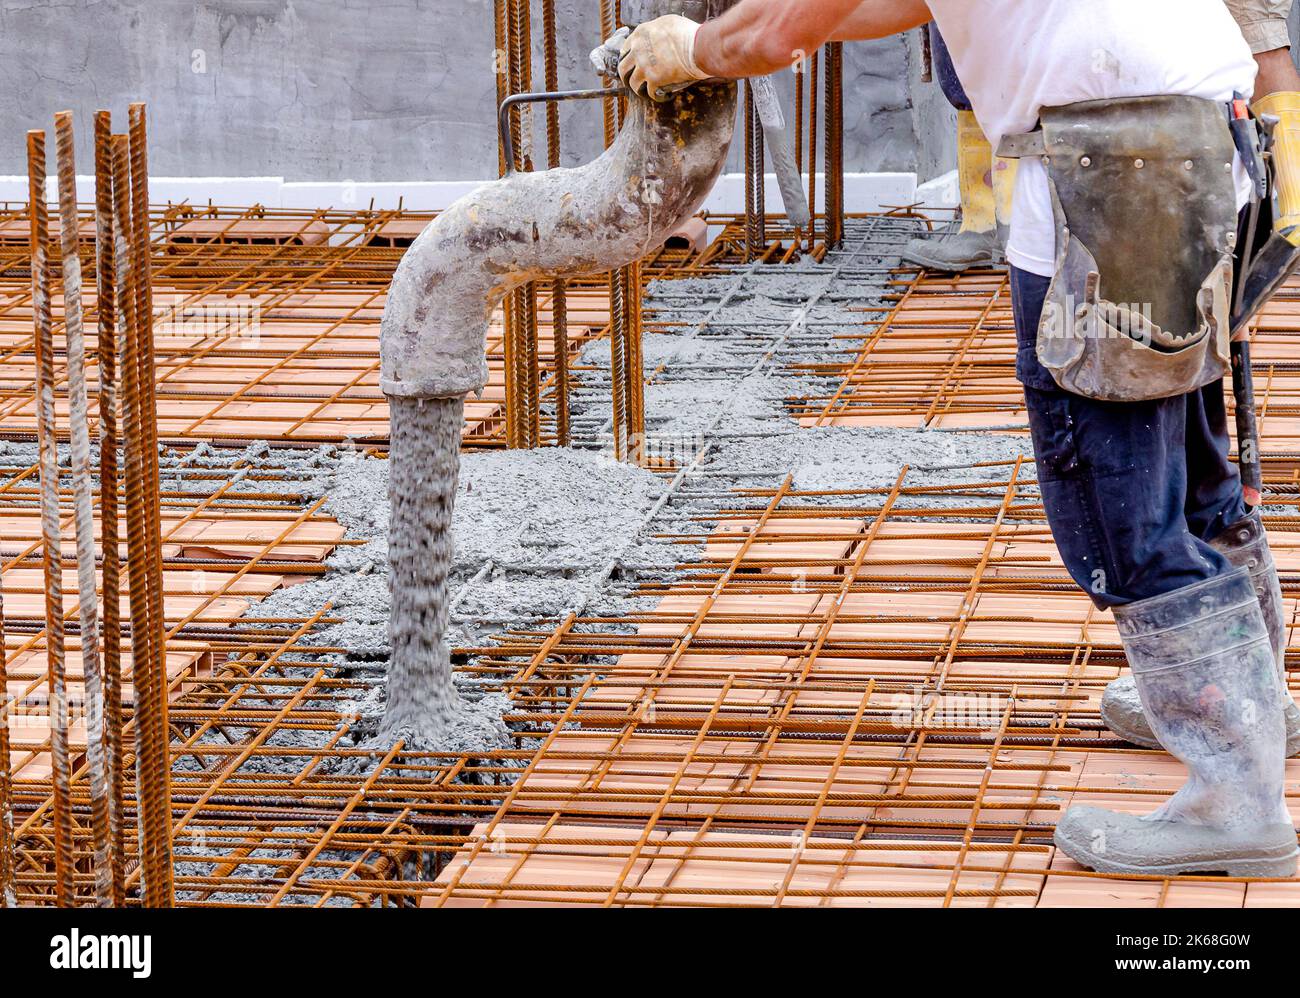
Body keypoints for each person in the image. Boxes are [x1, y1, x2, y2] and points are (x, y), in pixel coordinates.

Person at [619, 0, 1299, 877]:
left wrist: (688, 47)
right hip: (1199, 154)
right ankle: (1251, 706)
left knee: (1120, 508)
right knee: (1193, 463)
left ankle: (1234, 802)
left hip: (1110, 180)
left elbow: (771, 34)